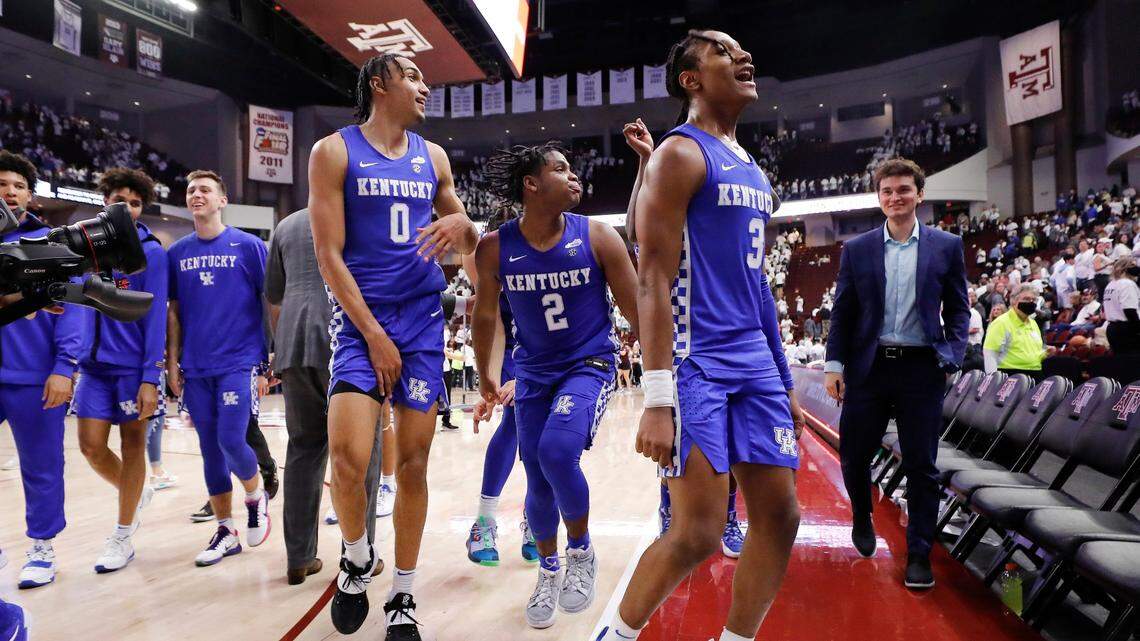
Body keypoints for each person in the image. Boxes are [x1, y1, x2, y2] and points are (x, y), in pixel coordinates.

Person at [598, 31, 802, 641]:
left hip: (754, 362)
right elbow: (651, 277)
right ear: (691, 79)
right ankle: (614, 635)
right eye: (724, 53)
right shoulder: (680, 154)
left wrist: (783, 379)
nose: (744, 58)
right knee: (697, 534)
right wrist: (657, 398)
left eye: (743, 51)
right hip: (696, 362)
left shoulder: (752, 169)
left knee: (781, 517)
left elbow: (757, 284)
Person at [308, 52, 477, 639]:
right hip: (363, 324)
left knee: (412, 463)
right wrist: (375, 335)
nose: (426, 86)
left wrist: (466, 227)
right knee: (347, 459)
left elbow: (467, 239)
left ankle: (403, 592)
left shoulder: (434, 158)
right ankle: (357, 557)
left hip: (423, 322)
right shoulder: (333, 151)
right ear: (380, 84)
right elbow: (328, 255)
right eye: (414, 76)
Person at [472, 141, 639, 630]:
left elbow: (637, 310)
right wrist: (487, 375)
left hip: (589, 363)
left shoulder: (599, 237)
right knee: (538, 479)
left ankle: (581, 552)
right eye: (561, 169)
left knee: (557, 452)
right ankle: (548, 568)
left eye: (572, 169)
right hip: (532, 372)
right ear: (531, 184)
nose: (574, 176)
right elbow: (485, 316)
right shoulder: (494, 247)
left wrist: (662, 386)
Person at [825, 157, 970, 589]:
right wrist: (834, 364)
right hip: (868, 369)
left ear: (919, 194)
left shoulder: (947, 246)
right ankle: (862, 515)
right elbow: (843, 313)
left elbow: (959, 309)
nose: (895, 197)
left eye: (904, 189)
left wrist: (952, 355)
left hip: (921, 370)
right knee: (854, 455)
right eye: (887, 191)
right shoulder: (857, 249)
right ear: (879, 197)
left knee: (922, 465)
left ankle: (919, 553)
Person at [265, 208, 386, 585]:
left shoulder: (286, 225)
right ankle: (361, 552)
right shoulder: (362, 215)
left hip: (294, 342)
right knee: (363, 453)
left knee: (303, 449)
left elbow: (274, 297)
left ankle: (299, 558)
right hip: (347, 339)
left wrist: (281, 343)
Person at [166, 170, 272, 567]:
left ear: (222, 200)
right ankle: (226, 530)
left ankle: (255, 495)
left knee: (230, 439)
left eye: (205, 190)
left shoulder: (249, 246)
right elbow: (174, 312)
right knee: (209, 449)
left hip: (238, 361)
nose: (197, 194)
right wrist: (172, 362)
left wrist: (268, 358)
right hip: (196, 365)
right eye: (191, 190)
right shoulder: (177, 253)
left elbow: (268, 301)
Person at [72, 167, 167, 574]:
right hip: (92, 367)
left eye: (135, 203)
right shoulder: (84, 247)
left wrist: (150, 377)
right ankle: (135, 491)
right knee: (91, 447)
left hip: (132, 368)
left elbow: (156, 318)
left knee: (132, 448)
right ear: (104, 201)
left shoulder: (152, 253)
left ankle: (123, 534)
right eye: (119, 201)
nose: (127, 208)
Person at [0, 151, 80, 589]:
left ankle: (42, 546)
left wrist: (64, 367)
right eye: (2, 184)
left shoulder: (52, 242)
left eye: (18, 186)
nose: (10, 192)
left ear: (31, 196)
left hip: (35, 375)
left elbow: (75, 308)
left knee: (41, 465)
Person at [462, 212, 539, 567]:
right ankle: (484, 522)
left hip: (551, 348)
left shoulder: (547, 256)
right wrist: (490, 384)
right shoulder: (483, 255)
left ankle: (536, 516)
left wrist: (526, 378)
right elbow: (493, 325)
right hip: (510, 347)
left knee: (545, 437)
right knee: (515, 422)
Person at [982, 284, 1052, 379]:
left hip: (1035, 373)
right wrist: (993, 380)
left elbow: (1031, 352)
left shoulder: (1033, 323)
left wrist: (1045, 353)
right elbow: (990, 353)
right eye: (1026, 299)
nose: (1031, 302)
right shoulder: (1001, 323)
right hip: (1011, 375)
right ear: (1014, 300)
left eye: (1034, 300)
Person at [1103, 257, 1140, 354]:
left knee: (1120, 359)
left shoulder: (1110, 285)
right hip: (1127, 329)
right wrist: (1137, 330)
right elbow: (1129, 310)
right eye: (1132, 265)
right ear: (1124, 268)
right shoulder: (1127, 284)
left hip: (1112, 329)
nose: (1136, 268)